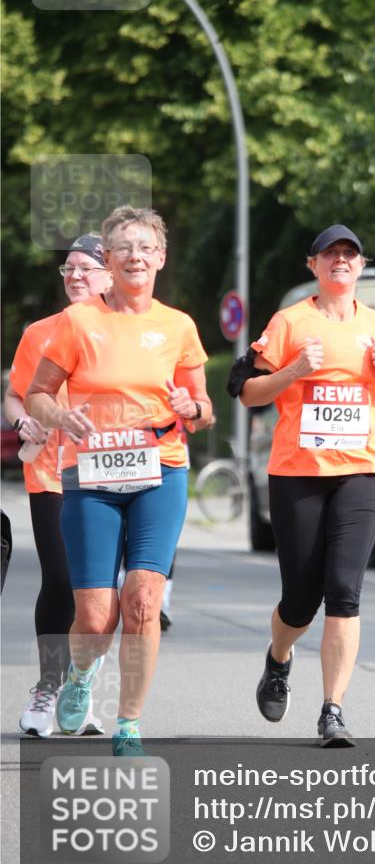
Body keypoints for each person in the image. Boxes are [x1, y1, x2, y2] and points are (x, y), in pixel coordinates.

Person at [25, 205, 211, 755]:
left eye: (146, 247)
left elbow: (203, 411)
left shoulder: (178, 325)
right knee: (95, 614)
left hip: (161, 470)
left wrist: (190, 406)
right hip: (92, 476)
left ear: (160, 258)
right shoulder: (79, 323)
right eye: (124, 247)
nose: (135, 256)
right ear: (108, 258)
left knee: (144, 600)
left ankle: (129, 722)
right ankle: (80, 676)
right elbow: (38, 393)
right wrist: (59, 416)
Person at [234, 224, 375, 746]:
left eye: (350, 254)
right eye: (330, 254)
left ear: (361, 265)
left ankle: (333, 709)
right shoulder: (290, 322)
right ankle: (279, 657)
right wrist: (293, 371)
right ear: (313, 265)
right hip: (297, 474)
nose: (341, 261)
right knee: (301, 598)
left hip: (361, 470)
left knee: (345, 591)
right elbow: (247, 394)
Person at [4, 234, 113, 737]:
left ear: (110, 274)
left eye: (85, 268)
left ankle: (79, 687)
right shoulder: (41, 332)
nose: (74, 276)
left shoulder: (128, 332)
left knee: (99, 592)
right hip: (51, 473)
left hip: (113, 474)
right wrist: (23, 422)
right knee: (61, 577)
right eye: (67, 269)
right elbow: (14, 398)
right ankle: (48, 686)